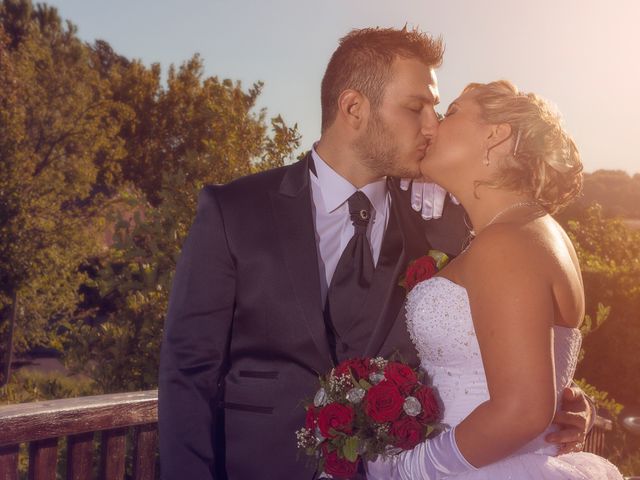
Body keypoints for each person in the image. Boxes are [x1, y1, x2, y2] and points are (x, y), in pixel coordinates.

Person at [158, 28, 592, 479]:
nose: (432, 125)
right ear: (353, 108)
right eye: (415, 108)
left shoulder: (451, 224)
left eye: (438, 109)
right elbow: (188, 372)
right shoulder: (234, 210)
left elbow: (503, 347)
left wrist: (562, 398)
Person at [367, 81, 623, 479]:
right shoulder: (531, 231)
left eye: (451, 111)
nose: (433, 125)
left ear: (495, 135)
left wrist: (412, 469)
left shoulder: (508, 241)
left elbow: (523, 409)